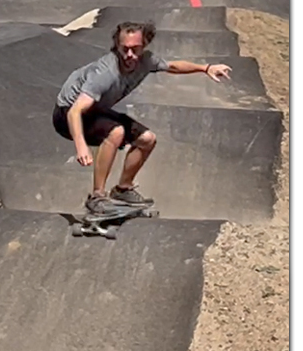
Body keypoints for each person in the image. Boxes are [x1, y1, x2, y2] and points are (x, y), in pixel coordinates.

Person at [52, 21, 232, 213]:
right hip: (67, 115)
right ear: (117, 46)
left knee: (147, 139)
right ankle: (97, 197)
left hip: (96, 111)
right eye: (125, 49)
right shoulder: (105, 74)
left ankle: (123, 189)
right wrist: (81, 146)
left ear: (144, 45)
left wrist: (205, 68)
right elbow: (74, 111)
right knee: (115, 132)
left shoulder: (147, 60)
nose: (130, 55)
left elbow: (173, 66)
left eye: (135, 49)